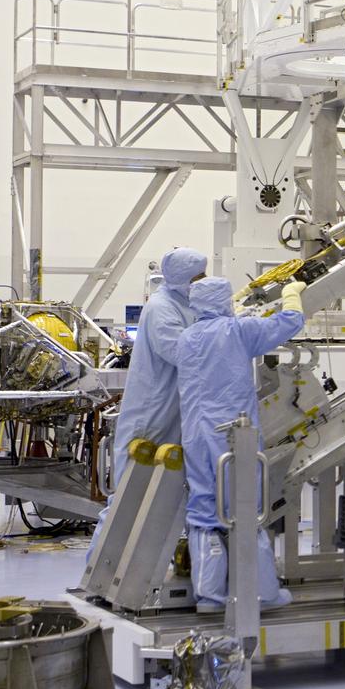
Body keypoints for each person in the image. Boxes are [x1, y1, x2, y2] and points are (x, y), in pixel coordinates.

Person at [177, 276, 306, 612]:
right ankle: (262, 593)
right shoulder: (238, 331)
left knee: (205, 509)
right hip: (234, 434)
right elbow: (289, 322)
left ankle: (209, 596)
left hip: (196, 433)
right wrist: (291, 294)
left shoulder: (187, 337)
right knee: (246, 507)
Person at [89, 248, 207, 555]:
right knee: (131, 492)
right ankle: (100, 566)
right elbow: (180, 351)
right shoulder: (161, 307)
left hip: (173, 411)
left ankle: (141, 568)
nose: (202, 281)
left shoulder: (186, 303)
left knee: (165, 492)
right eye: (197, 276)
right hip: (151, 414)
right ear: (181, 278)